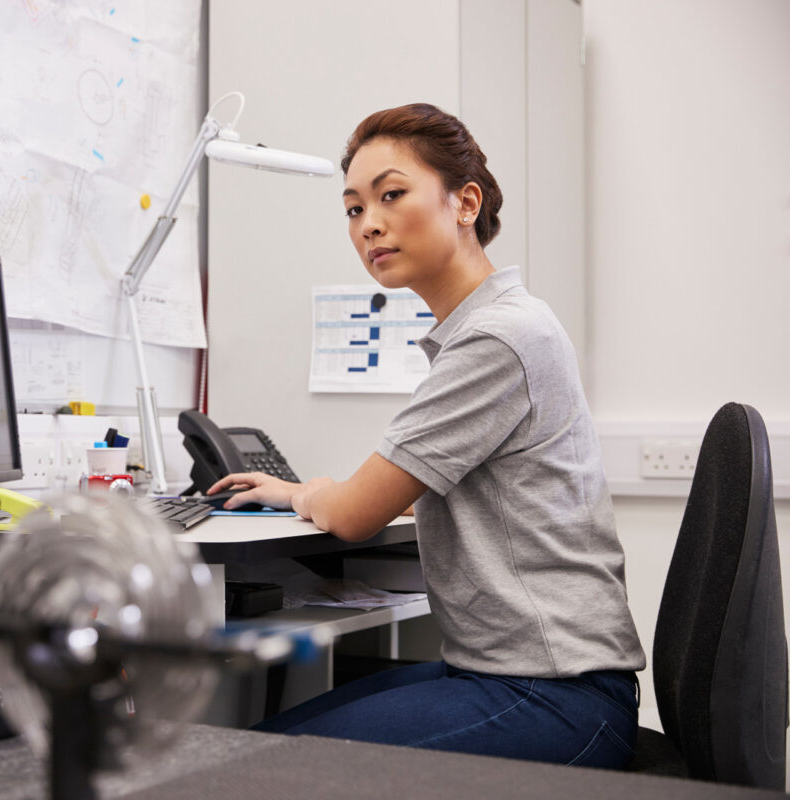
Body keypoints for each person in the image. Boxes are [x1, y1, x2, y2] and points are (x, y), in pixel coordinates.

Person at [207, 103, 646, 769]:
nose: (369, 224)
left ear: (465, 203)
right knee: (258, 743)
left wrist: (311, 496)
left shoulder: (498, 337)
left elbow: (356, 514)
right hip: (513, 676)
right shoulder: (497, 326)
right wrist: (311, 490)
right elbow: (454, 493)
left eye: (391, 194)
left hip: (555, 695)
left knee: (253, 767)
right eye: (353, 208)